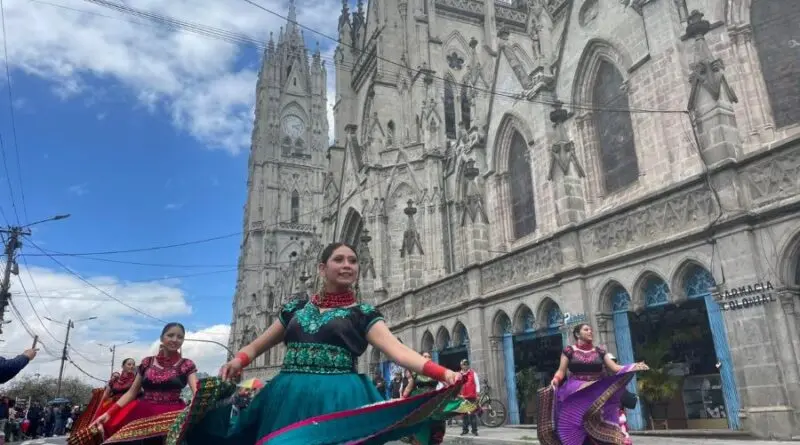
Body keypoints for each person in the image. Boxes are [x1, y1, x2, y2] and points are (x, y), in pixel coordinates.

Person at [169, 242, 462, 445]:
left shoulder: (362, 313)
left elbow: (398, 351)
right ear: (322, 268)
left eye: (353, 261)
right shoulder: (296, 308)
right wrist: (238, 361)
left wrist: (443, 373)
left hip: (338, 398)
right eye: (339, 260)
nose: (347, 265)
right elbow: (259, 344)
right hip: (286, 397)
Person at [69, 323, 198, 445]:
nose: (175, 339)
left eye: (180, 337)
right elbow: (132, 392)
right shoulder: (147, 363)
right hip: (142, 415)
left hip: (174, 417)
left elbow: (197, 392)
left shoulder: (187, 364)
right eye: (170, 335)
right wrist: (109, 413)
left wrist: (196, 407)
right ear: (161, 338)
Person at [537, 323, 649, 445]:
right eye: (586, 330)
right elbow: (561, 370)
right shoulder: (569, 351)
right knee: (577, 425)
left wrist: (633, 366)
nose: (590, 332)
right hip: (576, 392)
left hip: (597, 390)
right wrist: (556, 379)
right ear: (577, 334)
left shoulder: (600, 351)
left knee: (601, 428)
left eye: (591, 330)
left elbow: (615, 368)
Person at [401, 352, 477, 445]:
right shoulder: (415, 372)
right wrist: (402, 399)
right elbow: (409, 386)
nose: (427, 358)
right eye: (425, 356)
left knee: (435, 426)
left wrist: (457, 395)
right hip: (419, 402)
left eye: (429, 356)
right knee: (419, 426)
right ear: (420, 358)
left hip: (433, 401)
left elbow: (447, 385)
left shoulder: (434, 371)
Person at [458, 359, 480, 436]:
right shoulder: (459, 375)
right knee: (464, 415)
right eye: (464, 364)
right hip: (462, 397)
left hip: (472, 397)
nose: (466, 366)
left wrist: (477, 394)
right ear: (461, 366)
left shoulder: (473, 373)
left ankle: (474, 430)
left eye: (467, 364)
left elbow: (477, 384)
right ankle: (465, 430)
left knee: (472, 414)